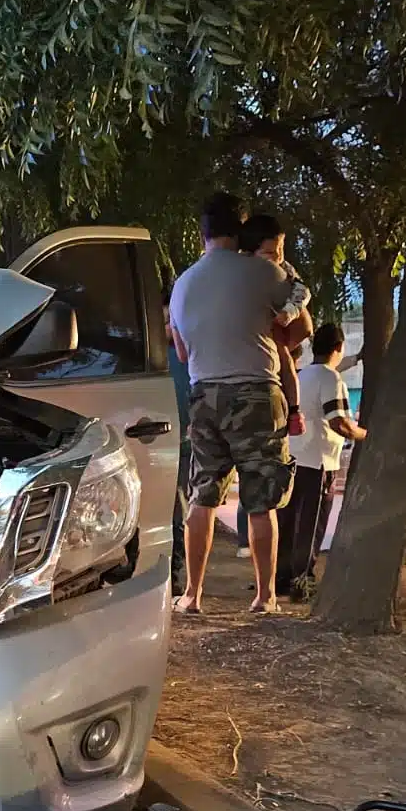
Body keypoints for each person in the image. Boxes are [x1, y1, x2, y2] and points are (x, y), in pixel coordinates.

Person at [169, 191, 307, 615]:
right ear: (241, 230)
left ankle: (192, 595)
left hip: (204, 393)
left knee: (203, 496)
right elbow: (301, 329)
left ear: (203, 234)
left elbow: (181, 354)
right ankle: (265, 597)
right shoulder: (262, 271)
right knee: (261, 500)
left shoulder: (182, 284)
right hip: (256, 393)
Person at [276, 322, 365, 599]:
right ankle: (302, 581)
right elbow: (338, 421)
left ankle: (281, 578)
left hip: (294, 457)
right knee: (311, 524)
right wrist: (364, 435)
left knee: (288, 521)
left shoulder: (301, 375)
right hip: (319, 461)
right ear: (338, 348)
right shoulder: (330, 378)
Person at [238, 213, 312, 437]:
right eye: (270, 252)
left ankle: (295, 410)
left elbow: (302, 291)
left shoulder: (284, 271)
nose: (278, 256)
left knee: (285, 359)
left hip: (278, 325)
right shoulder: (244, 271)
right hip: (261, 333)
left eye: (281, 249)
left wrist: (289, 312)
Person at [163, 288, 193, 594]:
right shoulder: (153, 357)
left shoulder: (186, 355)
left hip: (181, 446)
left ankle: (175, 575)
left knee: (177, 513)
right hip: (153, 442)